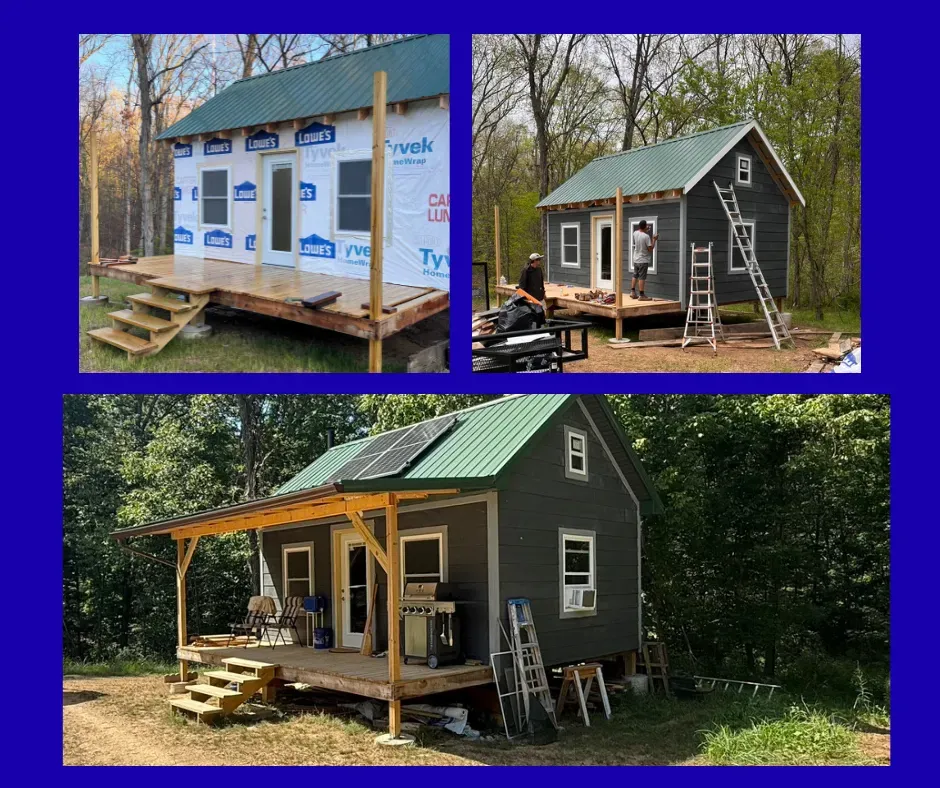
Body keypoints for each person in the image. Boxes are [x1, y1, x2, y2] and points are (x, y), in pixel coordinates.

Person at [630, 221, 658, 301]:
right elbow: (650, 249)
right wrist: (654, 239)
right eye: (647, 226)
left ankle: (632, 292)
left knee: (635, 275)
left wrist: (645, 229)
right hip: (643, 260)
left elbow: (641, 233)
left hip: (636, 259)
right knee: (642, 277)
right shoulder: (646, 237)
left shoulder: (635, 233)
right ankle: (641, 295)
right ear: (645, 226)